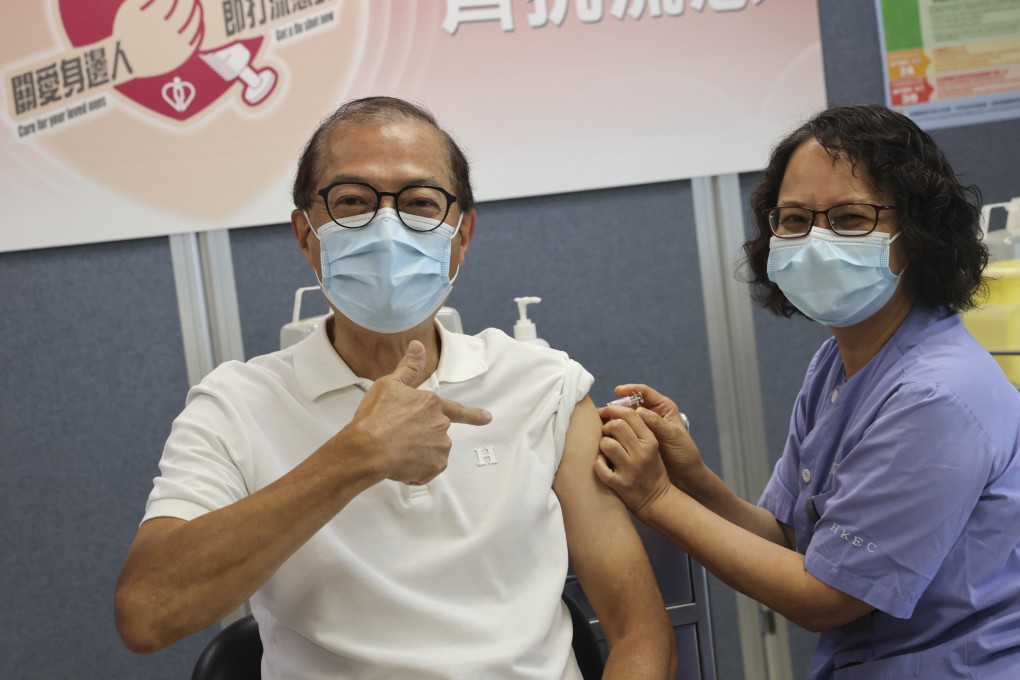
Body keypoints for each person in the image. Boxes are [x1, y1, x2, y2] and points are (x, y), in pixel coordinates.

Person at [114, 96, 676, 679]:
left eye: (420, 203)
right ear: (306, 233)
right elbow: (148, 614)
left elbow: (640, 630)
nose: (387, 228)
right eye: (352, 202)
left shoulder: (544, 387)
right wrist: (353, 458)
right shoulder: (235, 407)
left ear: (462, 235)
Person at [596, 104, 1020, 678]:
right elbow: (792, 539)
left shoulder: (936, 395)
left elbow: (826, 596)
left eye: (849, 218)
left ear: (917, 234)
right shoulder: (839, 362)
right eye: (794, 219)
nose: (816, 241)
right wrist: (688, 478)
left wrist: (655, 501)